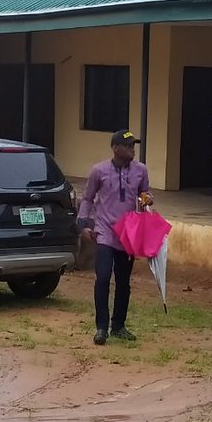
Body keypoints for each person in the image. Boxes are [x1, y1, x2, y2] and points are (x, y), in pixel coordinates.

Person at [77, 129, 153, 345]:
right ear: (115, 148)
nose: (132, 150)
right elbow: (88, 198)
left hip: (127, 234)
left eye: (133, 146)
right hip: (105, 232)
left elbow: (144, 193)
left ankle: (118, 325)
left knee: (123, 282)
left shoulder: (140, 170)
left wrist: (147, 200)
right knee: (102, 278)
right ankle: (101, 328)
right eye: (128, 146)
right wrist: (83, 224)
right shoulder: (98, 171)